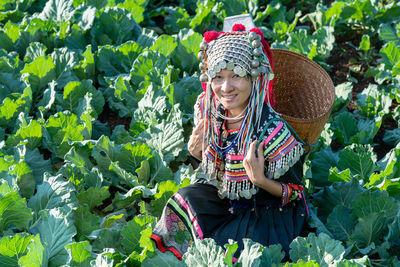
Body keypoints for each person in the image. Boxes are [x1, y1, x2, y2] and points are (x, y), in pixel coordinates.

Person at [150, 23, 308, 261]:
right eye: (218, 77)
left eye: (236, 76)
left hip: (266, 208)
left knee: (248, 246)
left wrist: (260, 180)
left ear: (253, 78)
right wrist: (195, 155)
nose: (226, 87)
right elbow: (212, 173)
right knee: (183, 201)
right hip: (224, 197)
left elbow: (295, 194)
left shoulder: (272, 131)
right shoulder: (209, 110)